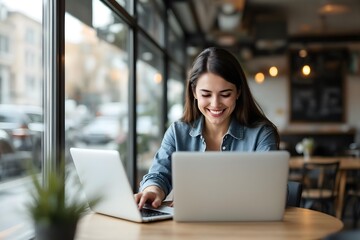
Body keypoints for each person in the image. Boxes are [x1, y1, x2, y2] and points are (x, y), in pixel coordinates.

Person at [135, 47, 279, 209]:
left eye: (225, 94)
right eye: (206, 94)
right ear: (194, 92)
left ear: (238, 92)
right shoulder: (177, 132)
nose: (215, 104)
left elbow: (268, 189)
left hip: (243, 227)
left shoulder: (261, 134)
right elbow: (159, 174)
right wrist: (153, 190)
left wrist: (209, 199)